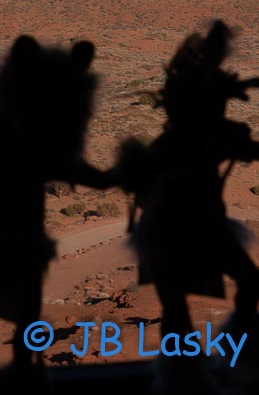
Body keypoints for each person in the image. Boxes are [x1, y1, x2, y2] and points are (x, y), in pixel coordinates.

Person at [0, 36, 111, 384]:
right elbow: (75, 169)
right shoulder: (43, 136)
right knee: (22, 303)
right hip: (19, 229)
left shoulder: (3, 127)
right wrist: (123, 174)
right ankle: (21, 370)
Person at [117, 20, 259, 392]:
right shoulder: (198, 137)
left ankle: (187, 376)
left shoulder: (188, 137)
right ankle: (205, 371)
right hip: (178, 227)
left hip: (182, 225)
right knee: (218, 292)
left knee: (183, 302)